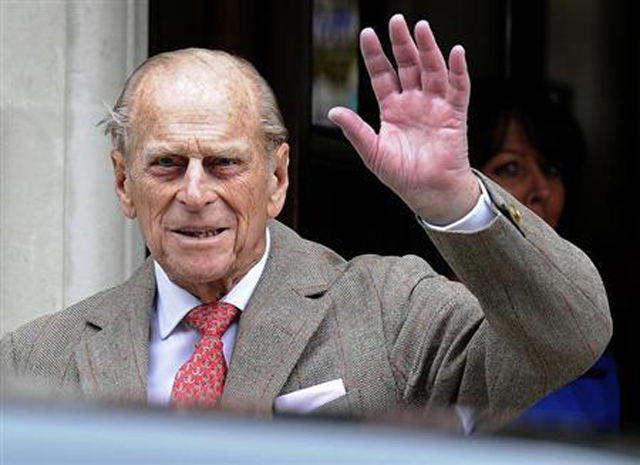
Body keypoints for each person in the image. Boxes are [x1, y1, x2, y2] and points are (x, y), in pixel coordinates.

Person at [0, 15, 611, 433]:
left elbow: (568, 336)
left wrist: (453, 200)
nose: (194, 193)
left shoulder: (388, 312)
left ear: (277, 179)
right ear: (122, 183)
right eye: (165, 164)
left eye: (223, 163)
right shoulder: (36, 360)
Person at [467, 81, 620, 431]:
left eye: (551, 169)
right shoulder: (410, 312)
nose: (542, 189)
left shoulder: (590, 330)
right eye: (510, 168)